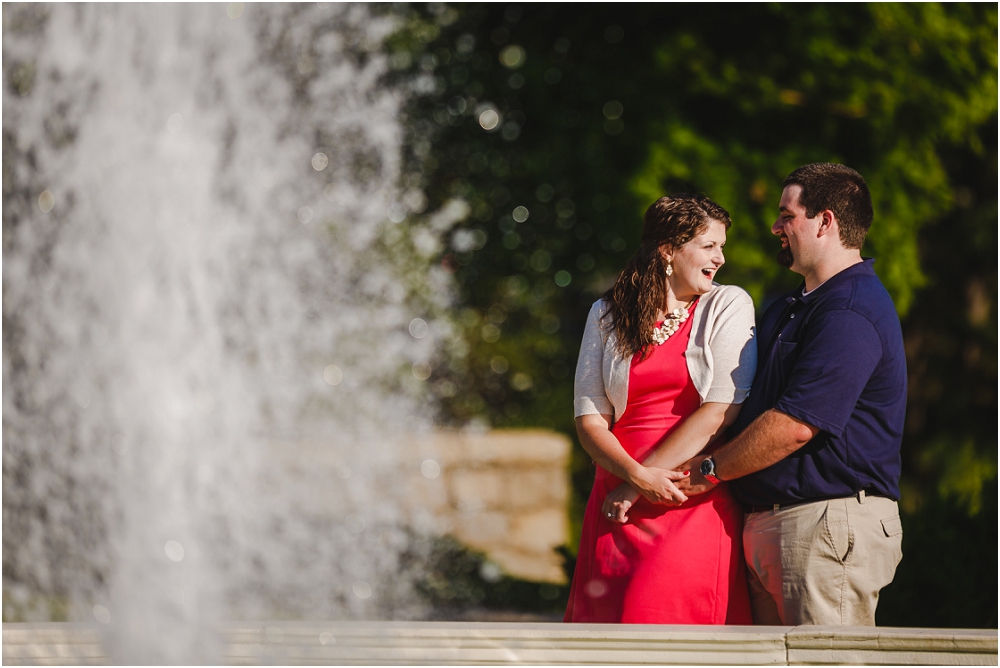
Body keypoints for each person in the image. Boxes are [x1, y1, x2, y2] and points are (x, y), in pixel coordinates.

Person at [677, 163, 906, 627]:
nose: (775, 227)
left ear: (825, 221)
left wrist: (710, 470)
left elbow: (795, 426)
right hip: (778, 524)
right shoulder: (794, 305)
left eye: (787, 215)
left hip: (825, 523)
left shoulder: (850, 310)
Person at [565, 194, 756, 624]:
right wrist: (632, 476)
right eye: (709, 246)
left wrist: (640, 485)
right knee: (607, 645)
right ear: (669, 248)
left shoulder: (727, 305)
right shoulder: (606, 313)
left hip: (685, 495)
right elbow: (589, 416)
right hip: (614, 498)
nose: (720, 258)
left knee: (661, 626)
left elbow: (720, 410)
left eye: (722, 247)